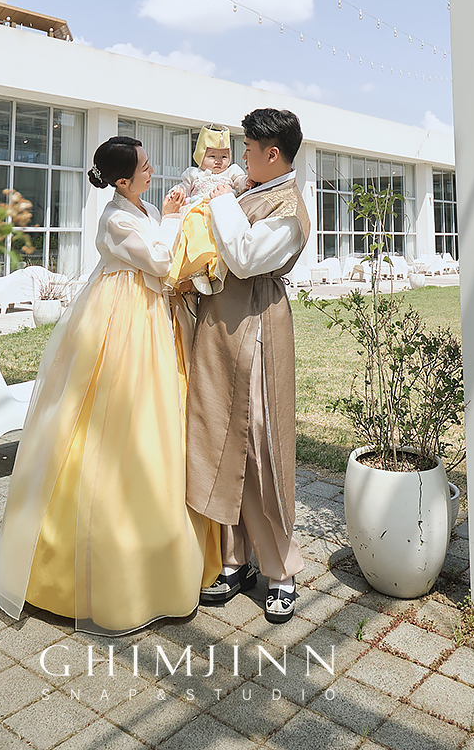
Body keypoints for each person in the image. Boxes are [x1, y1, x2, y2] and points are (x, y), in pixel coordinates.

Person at [0, 136, 220, 634]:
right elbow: (160, 261)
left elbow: (163, 250)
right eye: (144, 166)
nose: (152, 170)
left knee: (155, 426)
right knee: (115, 424)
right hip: (124, 324)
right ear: (121, 180)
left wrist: (173, 214)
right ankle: (98, 568)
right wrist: (175, 219)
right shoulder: (114, 218)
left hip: (152, 316)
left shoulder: (142, 208)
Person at [185, 108, 310, 624]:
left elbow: (244, 256)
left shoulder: (288, 208)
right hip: (222, 327)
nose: (240, 157)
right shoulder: (252, 191)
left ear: (272, 154)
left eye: (249, 149)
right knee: (221, 437)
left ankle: (281, 571)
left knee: (260, 444)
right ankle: (235, 560)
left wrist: (217, 198)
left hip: (256, 328)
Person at [163, 124, 249, 295]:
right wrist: (176, 192)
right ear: (200, 156)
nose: (218, 161)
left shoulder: (232, 171)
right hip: (198, 212)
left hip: (221, 212)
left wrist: (246, 182)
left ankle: (213, 270)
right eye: (212, 156)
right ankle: (199, 271)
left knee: (218, 243)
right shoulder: (193, 173)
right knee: (195, 233)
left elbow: (240, 181)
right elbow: (183, 187)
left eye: (224, 156)